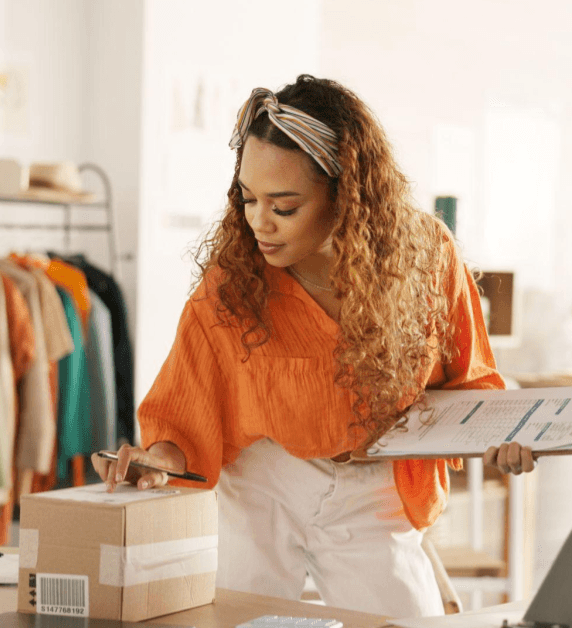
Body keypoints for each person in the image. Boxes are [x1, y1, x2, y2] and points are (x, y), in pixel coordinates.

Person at [91, 75, 534, 618]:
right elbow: (185, 414)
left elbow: (471, 381)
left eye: (284, 206)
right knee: (242, 620)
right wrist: (155, 462)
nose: (258, 222)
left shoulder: (426, 256)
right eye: (248, 198)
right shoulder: (232, 281)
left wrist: (505, 434)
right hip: (262, 485)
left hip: (373, 484)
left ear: (347, 193)